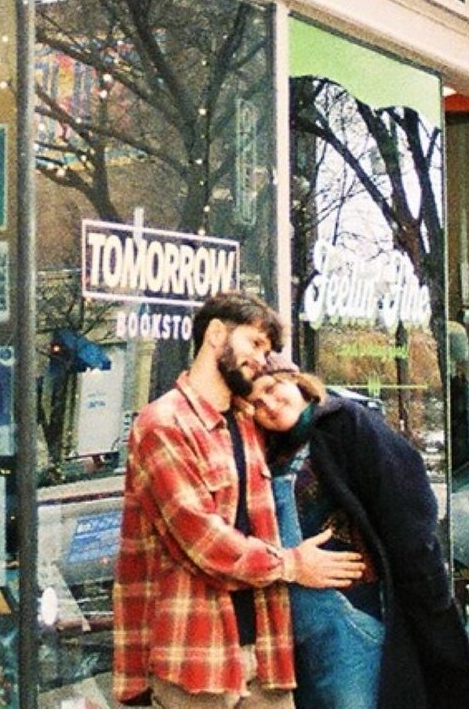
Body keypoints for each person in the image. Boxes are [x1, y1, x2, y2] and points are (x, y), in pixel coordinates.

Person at [113, 291, 366, 709]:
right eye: (254, 344)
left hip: (267, 655)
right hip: (197, 661)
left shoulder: (247, 422)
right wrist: (293, 565)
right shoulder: (163, 424)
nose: (261, 359)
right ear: (215, 334)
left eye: (267, 351)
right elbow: (205, 544)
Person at [247, 358, 469, 709]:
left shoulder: (346, 425)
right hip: (294, 638)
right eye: (255, 403)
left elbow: (408, 512)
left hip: (354, 626)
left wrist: (430, 601)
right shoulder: (269, 453)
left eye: (271, 389)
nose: (268, 404)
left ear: (295, 380)